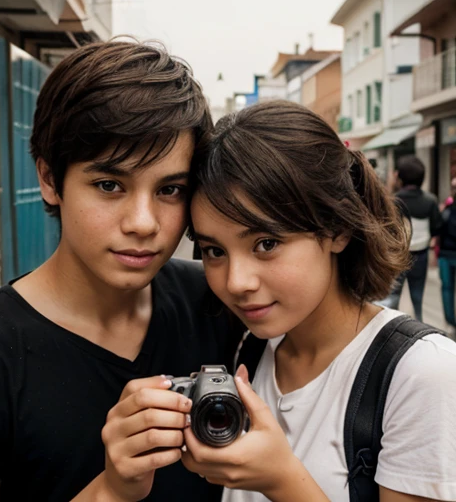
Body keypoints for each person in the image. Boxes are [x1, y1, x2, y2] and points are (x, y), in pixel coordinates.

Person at [0, 39, 244, 502]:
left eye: (169, 190)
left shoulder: (218, 303)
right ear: (49, 179)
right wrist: (111, 490)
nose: (143, 223)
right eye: (109, 185)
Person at [182, 101, 456, 501]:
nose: (236, 282)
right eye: (213, 251)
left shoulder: (422, 373)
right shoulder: (249, 349)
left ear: (337, 230)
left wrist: (281, 481)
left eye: (266, 243)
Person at [388, 155, 443, 321]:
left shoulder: (394, 201)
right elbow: (436, 227)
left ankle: (392, 324)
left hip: (398, 253)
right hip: (421, 254)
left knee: (393, 294)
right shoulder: (430, 201)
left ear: (400, 177)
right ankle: (418, 321)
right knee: (417, 294)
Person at [438, 180, 456, 331]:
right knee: (446, 288)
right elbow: (439, 229)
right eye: (453, 186)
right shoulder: (447, 208)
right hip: (445, 254)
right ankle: (450, 320)